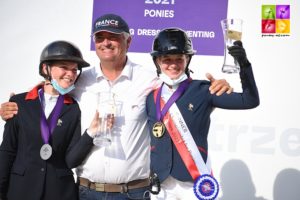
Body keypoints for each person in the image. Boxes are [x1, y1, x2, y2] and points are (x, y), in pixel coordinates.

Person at [0, 14, 233, 200]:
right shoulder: (80, 80)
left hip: (133, 192)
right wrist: (17, 105)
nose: (106, 43)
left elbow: (182, 90)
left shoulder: (150, 79)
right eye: (100, 38)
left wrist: (217, 86)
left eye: (113, 37)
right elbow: (52, 87)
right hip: (86, 191)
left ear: (128, 41)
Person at [146, 28, 260, 200]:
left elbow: (249, 100)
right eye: (166, 59)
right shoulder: (150, 97)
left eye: (179, 59)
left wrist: (244, 65)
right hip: (160, 184)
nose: (173, 64)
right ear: (157, 62)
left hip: (193, 183)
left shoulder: (204, 90)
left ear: (188, 60)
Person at [0, 40, 94, 200]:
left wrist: (92, 134)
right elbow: (8, 150)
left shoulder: (74, 109)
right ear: (45, 68)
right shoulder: (19, 103)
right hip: (21, 190)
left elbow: (71, 157)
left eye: (74, 70)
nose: (71, 74)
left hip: (60, 192)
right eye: (64, 67)